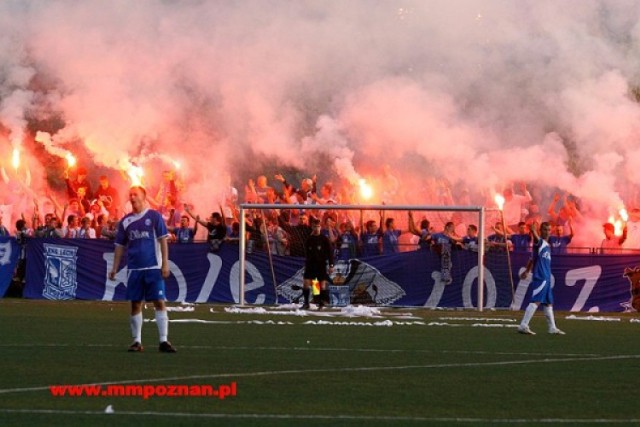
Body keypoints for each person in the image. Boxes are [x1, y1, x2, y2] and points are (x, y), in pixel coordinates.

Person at [108, 186, 176, 353]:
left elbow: (163, 241)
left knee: (159, 302)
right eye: (130, 194)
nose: (132, 197)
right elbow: (119, 246)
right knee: (135, 304)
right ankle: (137, 341)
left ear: (144, 197)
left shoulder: (154, 216)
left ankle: (163, 341)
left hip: (153, 267)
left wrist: (165, 263)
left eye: (135, 194)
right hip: (134, 269)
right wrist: (115, 268)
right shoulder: (126, 221)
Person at [517, 222, 565, 335]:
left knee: (548, 302)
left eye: (548, 230)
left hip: (547, 277)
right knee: (536, 300)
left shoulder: (546, 245)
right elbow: (537, 240)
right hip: (541, 276)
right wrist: (533, 231)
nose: (547, 232)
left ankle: (552, 328)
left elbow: (532, 259)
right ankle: (523, 325)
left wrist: (527, 270)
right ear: (540, 230)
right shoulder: (540, 243)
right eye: (544, 229)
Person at [301, 218, 334, 310]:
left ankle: (321, 303)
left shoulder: (324, 239)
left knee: (321, 285)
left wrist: (331, 265)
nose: (316, 228)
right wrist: (306, 263)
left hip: (321, 265)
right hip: (310, 265)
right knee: (306, 283)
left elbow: (330, 253)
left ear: (320, 227)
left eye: (318, 226)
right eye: (315, 226)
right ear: (312, 227)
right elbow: (307, 253)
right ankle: (306, 303)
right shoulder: (309, 239)